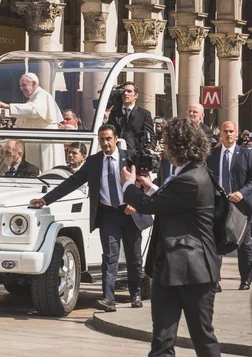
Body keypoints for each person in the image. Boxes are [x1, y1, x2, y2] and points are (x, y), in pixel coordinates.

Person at [120, 117, 220, 357]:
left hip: (195, 271)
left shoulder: (191, 178)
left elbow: (148, 205)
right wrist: (151, 187)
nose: (162, 148)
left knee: (202, 338)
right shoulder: (188, 173)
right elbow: (173, 203)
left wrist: (128, 186)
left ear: (178, 146)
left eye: (165, 143)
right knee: (162, 341)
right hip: (169, 268)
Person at [30, 125, 142, 311]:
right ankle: (108, 298)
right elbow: (71, 183)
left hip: (130, 213)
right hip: (108, 215)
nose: (105, 143)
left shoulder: (130, 157)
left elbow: (142, 181)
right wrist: (45, 199)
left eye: (108, 139)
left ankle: (135, 293)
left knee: (134, 257)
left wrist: (136, 201)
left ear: (115, 139)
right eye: (101, 140)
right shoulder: (94, 161)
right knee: (109, 257)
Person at [207, 121, 252, 291]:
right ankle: (215, 280)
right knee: (217, 242)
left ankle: (245, 279)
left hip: (241, 205)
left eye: (232, 131)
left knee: (244, 243)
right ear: (221, 134)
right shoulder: (212, 155)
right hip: (219, 204)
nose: (228, 134)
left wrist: (242, 192)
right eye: (225, 131)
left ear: (237, 133)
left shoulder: (246, 154)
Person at [0, 73, 64, 171]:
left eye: (24, 85)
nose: (22, 88)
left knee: (45, 170)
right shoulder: (31, 100)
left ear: (34, 84)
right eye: (21, 86)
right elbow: (20, 123)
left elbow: (33, 111)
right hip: (34, 143)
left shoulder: (42, 95)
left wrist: (8, 106)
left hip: (44, 144)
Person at [106, 81, 155, 151]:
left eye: (129, 91)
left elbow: (151, 137)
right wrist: (105, 119)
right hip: (117, 153)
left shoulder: (144, 114)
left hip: (136, 155)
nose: (126, 94)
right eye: (124, 91)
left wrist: (147, 151)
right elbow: (107, 132)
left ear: (136, 95)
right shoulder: (114, 113)